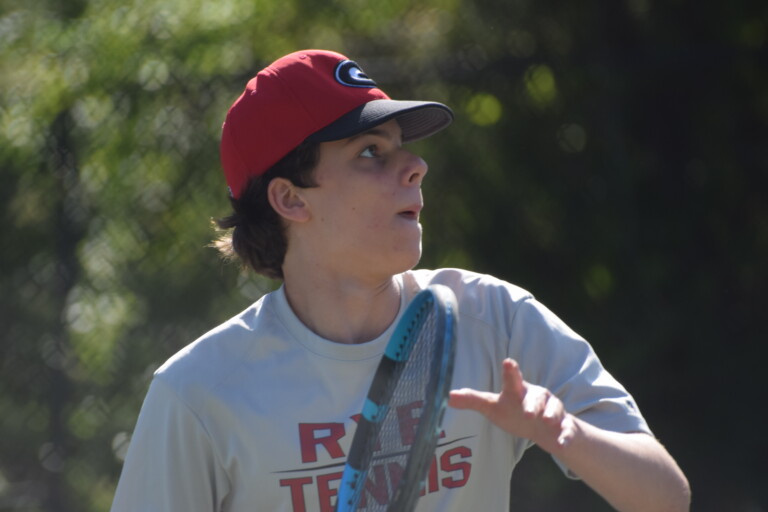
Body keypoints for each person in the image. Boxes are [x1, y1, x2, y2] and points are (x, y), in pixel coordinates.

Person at [111, 49, 690, 512]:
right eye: (369, 152)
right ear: (289, 198)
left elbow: (665, 496)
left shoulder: (494, 319)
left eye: (402, 149)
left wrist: (564, 432)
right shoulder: (198, 392)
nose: (416, 166)